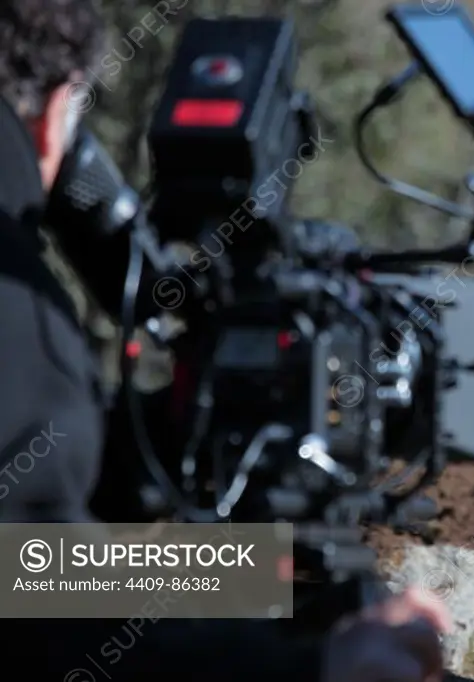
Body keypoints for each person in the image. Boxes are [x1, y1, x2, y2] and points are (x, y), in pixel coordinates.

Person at [0, 1, 451, 680]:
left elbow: (41, 558)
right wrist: (313, 668)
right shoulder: (18, 303)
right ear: (57, 109)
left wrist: (178, 440)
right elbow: (35, 603)